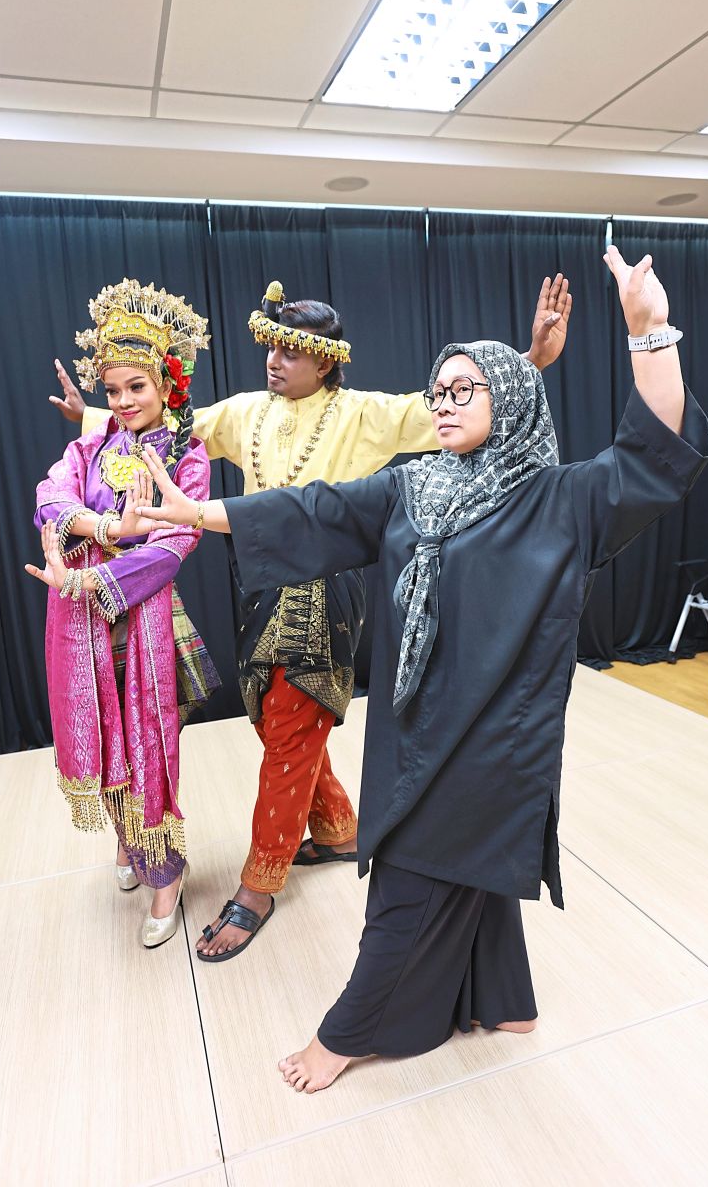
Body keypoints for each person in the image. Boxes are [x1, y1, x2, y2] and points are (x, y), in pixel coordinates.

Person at [136, 245, 708, 1085]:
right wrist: (202, 511)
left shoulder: (562, 500)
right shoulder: (413, 488)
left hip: (490, 739)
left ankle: (351, 1032)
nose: (442, 404)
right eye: (437, 390)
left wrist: (650, 333)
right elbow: (315, 509)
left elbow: (652, 455)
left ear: (507, 397)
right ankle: (503, 1000)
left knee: (408, 874)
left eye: (462, 391)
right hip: (414, 725)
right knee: (465, 869)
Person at [50, 274, 573, 961]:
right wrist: (92, 417)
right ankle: (334, 828)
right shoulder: (245, 412)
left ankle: (258, 884)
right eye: (269, 349)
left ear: (324, 360)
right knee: (277, 717)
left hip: (329, 587)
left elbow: (443, 412)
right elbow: (173, 429)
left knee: (294, 720)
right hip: (261, 579)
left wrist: (531, 359)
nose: (274, 362)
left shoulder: (365, 412)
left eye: (290, 353)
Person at [27, 279, 219, 948]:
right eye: (113, 391)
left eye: (136, 386)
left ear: (167, 382)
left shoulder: (185, 456)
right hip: (79, 627)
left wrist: (93, 574)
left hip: (143, 623)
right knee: (97, 738)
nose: (123, 402)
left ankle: (164, 871)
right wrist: (107, 527)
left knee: (147, 747)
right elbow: (49, 497)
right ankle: (125, 839)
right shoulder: (91, 446)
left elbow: (172, 546)